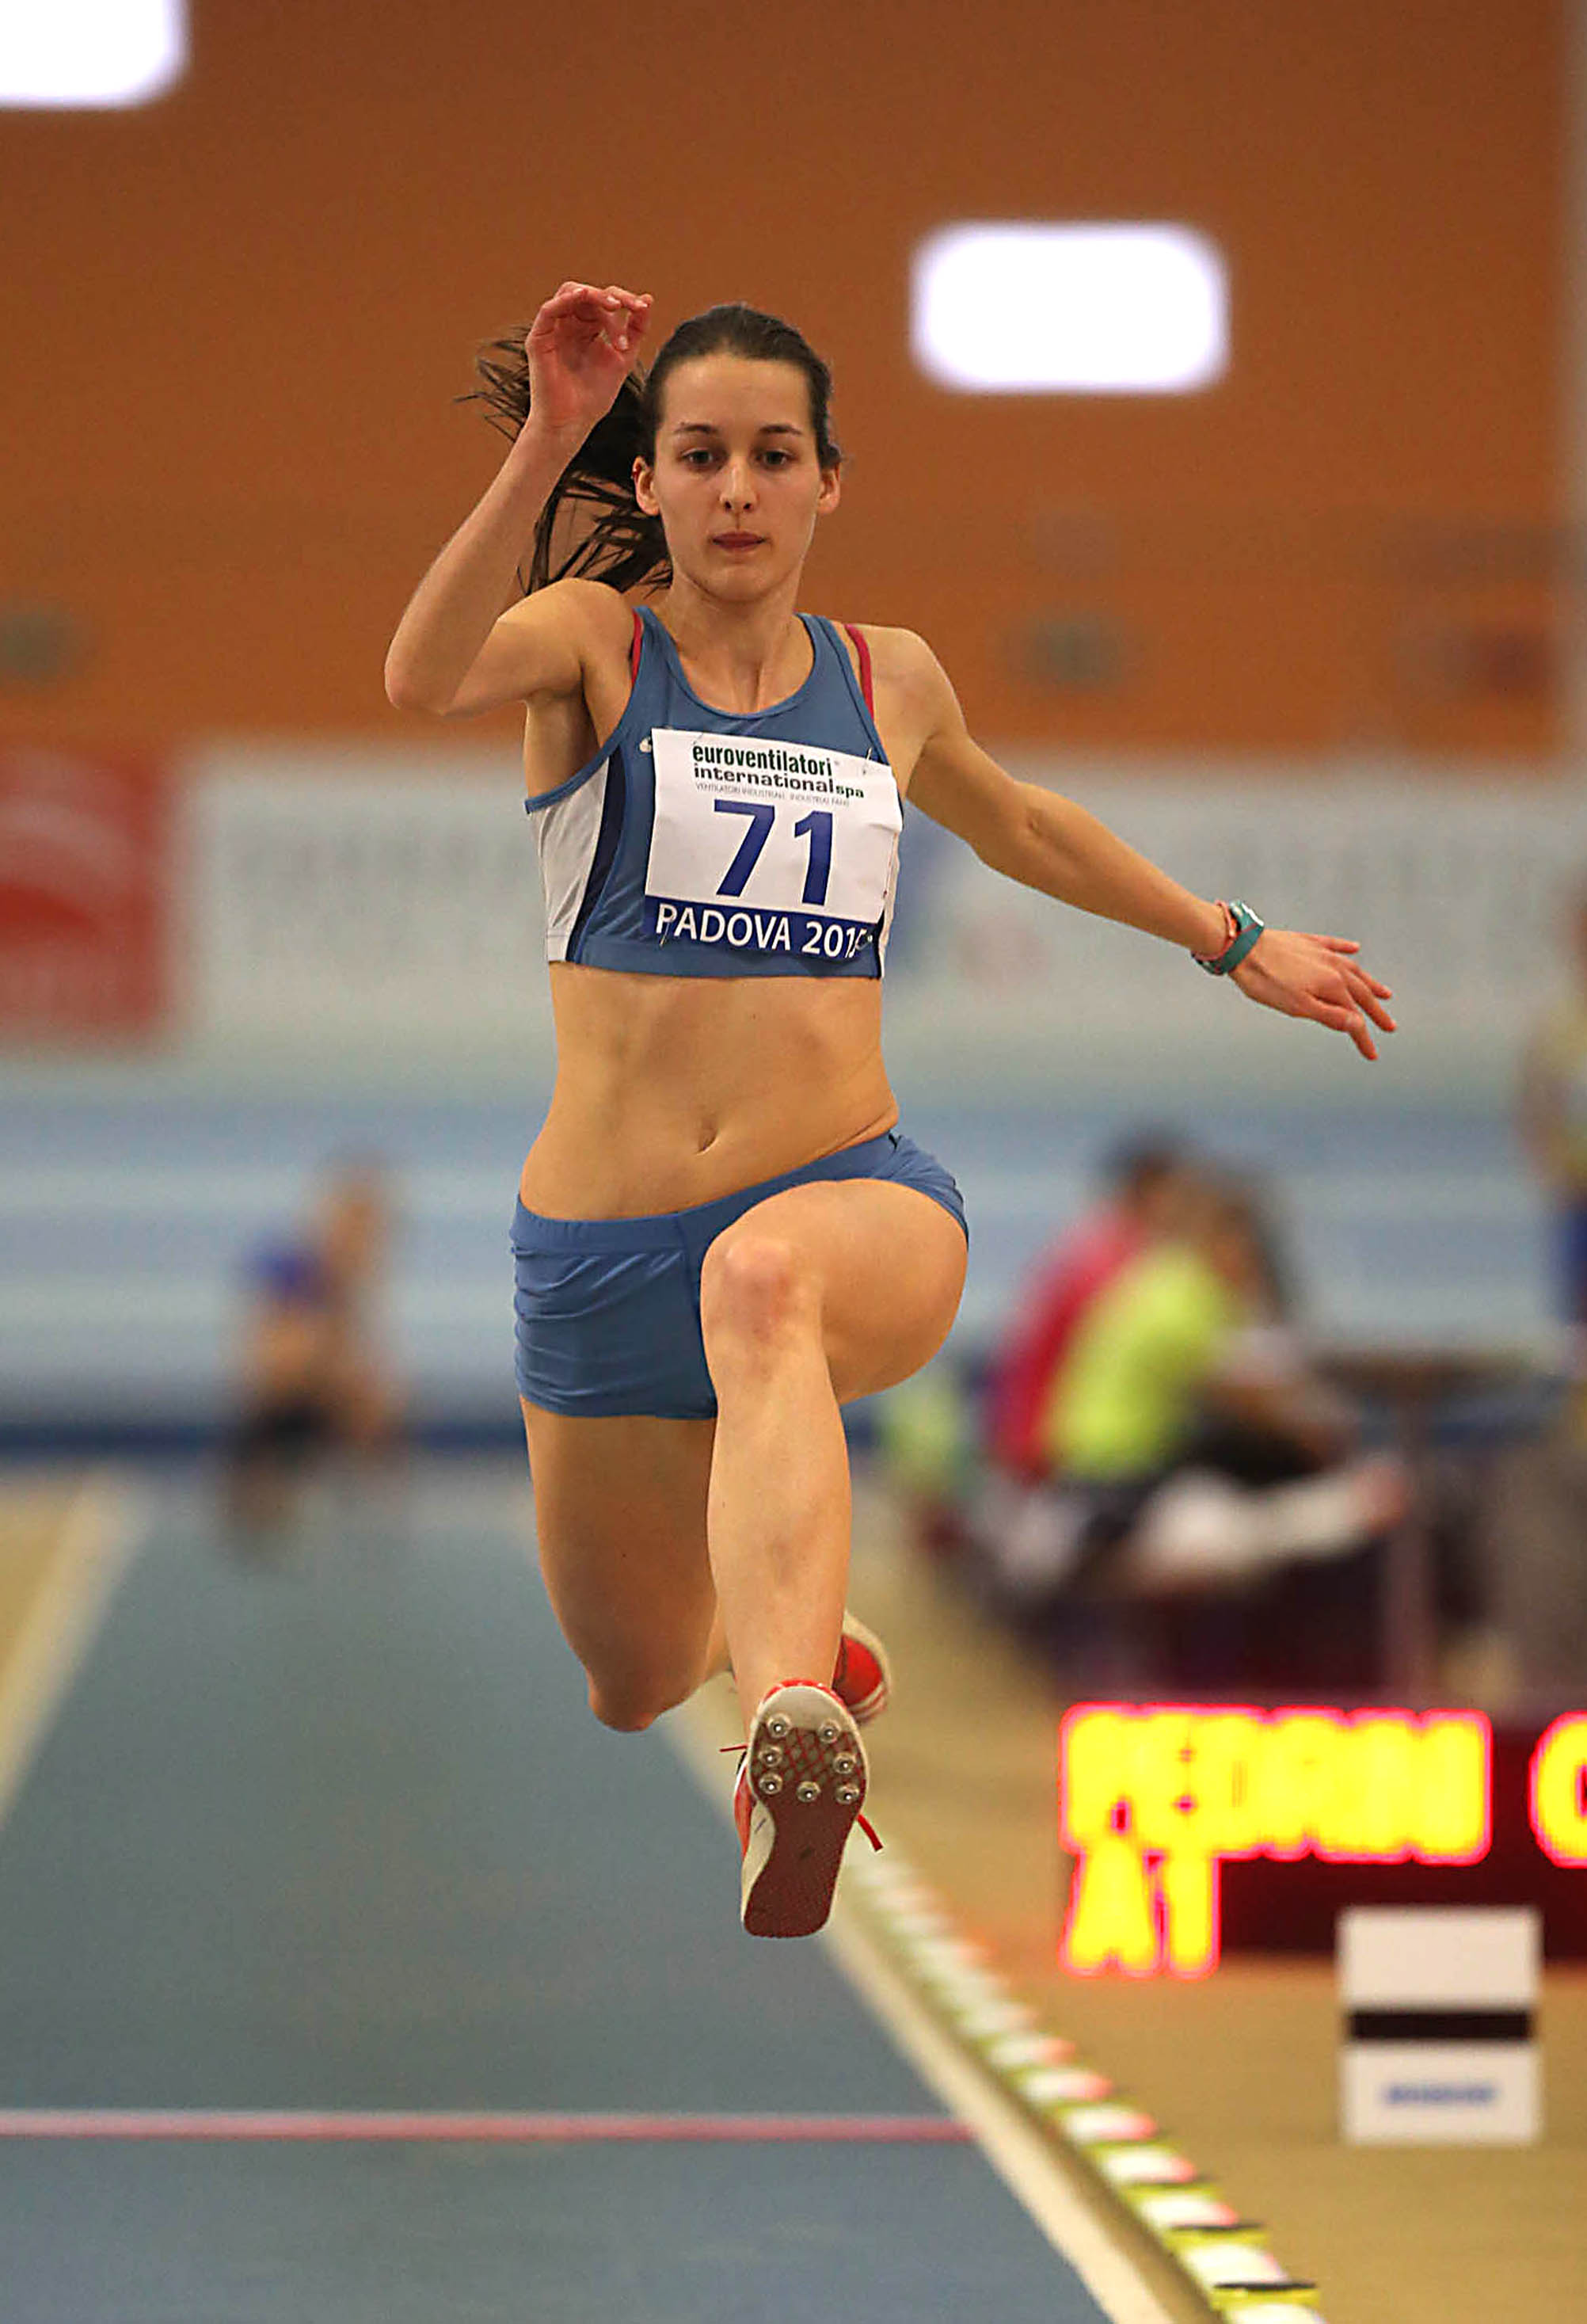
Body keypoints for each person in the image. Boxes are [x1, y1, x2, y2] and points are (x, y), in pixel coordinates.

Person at [383, 280, 1395, 1940]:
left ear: (826, 482)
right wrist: (547, 435)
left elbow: (1022, 823)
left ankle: (786, 1733)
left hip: (850, 1196)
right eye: (698, 453)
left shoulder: (887, 679)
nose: (736, 489)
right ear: (648, 480)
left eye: (773, 454)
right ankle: (786, 1629)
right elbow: (421, 673)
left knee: (762, 1279)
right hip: (601, 1253)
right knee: (633, 1675)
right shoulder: (594, 643)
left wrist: (1230, 939)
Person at [984, 1131, 1193, 1484]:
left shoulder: (1087, 1249)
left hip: (1040, 1439)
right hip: (1057, 1449)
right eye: (1181, 1195)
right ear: (1150, 1194)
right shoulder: (1118, 1267)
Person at [224, 1160, 402, 1537]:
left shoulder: (350, 1289)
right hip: (281, 1418)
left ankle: (360, 1505)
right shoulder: (291, 1270)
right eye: (359, 1229)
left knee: (375, 1397)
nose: (368, 1244)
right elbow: (275, 1367)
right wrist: (338, 1374)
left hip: (315, 1418)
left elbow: (368, 1378)